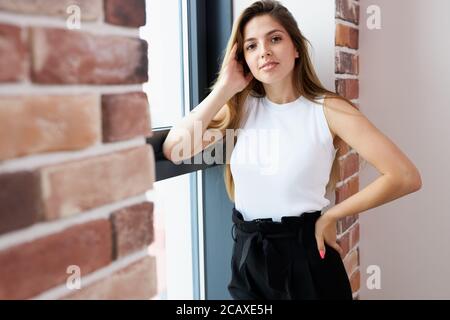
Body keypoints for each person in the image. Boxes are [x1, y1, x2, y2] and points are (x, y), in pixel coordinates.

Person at [162, 0, 422, 300]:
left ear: (296, 47)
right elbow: (175, 149)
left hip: (307, 258)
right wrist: (225, 87)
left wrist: (331, 215)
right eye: (251, 46)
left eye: (274, 39)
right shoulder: (239, 109)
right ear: (242, 58)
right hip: (248, 258)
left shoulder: (328, 110)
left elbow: (404, 175)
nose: (264, 52)